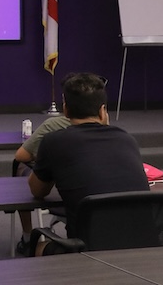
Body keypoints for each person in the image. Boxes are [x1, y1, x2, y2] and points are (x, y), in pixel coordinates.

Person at [27, 72, 148, 256]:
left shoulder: (53, 142)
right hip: (143, 248)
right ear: (102, 111)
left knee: (39, 248)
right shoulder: (127, 139)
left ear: (65, 110)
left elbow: (37, 191)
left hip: (87, 252)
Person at [11, 113, 71, 254]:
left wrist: (41, 155)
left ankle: (27, 238)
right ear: (102, 111)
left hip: (66, 198)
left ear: (66, 106)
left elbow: (20, 156)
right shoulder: (119, 140)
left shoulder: (52, 131)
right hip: (106, 229)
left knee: (21, 168)